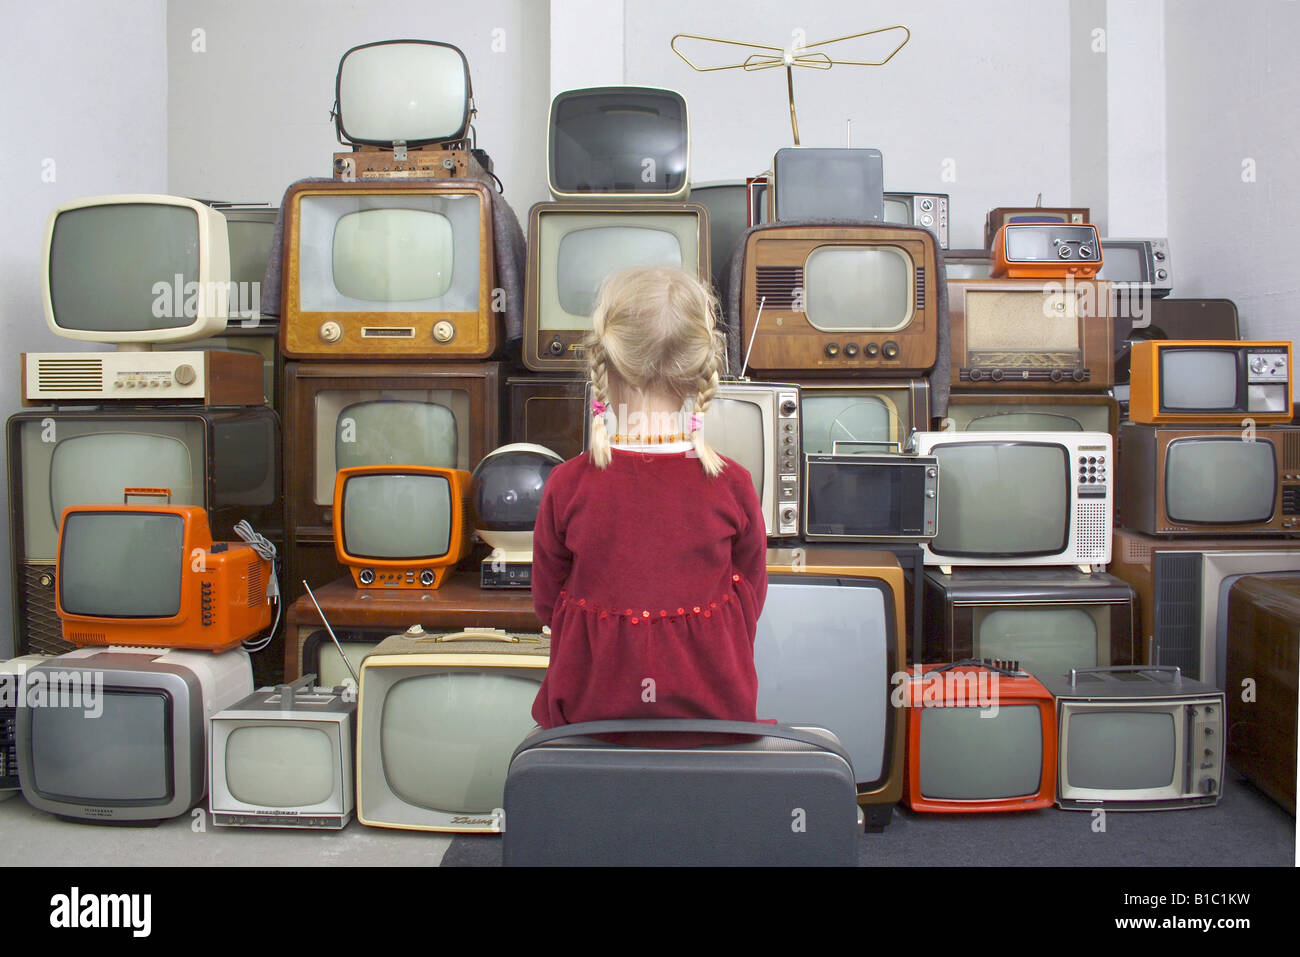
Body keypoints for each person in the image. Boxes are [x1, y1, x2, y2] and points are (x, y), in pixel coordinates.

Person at [529, 267, 769, 738]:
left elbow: (545, 603)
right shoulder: (735, 485)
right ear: (700, 365)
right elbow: (750, 602)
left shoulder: (566, 484)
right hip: (714, 730)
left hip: (584, 728)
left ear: (605, 357)